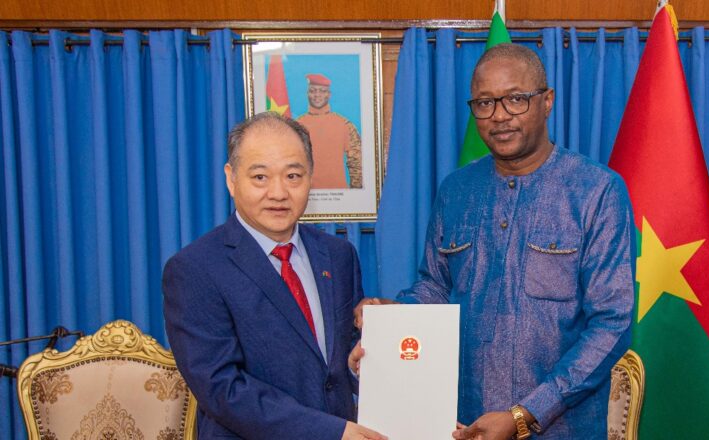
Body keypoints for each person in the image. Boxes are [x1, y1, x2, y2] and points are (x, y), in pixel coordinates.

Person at [351, 43, 635, 439]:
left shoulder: (596, 191)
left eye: (516, 99)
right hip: (463, 425)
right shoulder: (456, 190)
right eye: (484, 103)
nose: (499, 116)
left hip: (561, 428)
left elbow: (612, 322)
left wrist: (525, 414)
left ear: (547, 101)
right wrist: (392, 318)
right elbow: (436, 286)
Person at [163, 112, 386, 440]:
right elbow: (223, 389)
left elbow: (335, 363)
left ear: (310, 176)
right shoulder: (194, 269)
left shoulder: (339, 255)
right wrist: (329, 432)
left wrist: (357, 363)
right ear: (231, 179)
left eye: (293, 176)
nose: (279, 193)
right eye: (260, 177)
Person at [297, 73, 363, 189]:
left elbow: (357, 163)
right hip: (306, 196)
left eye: (322, 91)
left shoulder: (345, 125)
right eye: (313, 91)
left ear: (329, 94)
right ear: (307, 94)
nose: (317, 95)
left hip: (339, 196)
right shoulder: (296, 126)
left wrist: (354, 195)